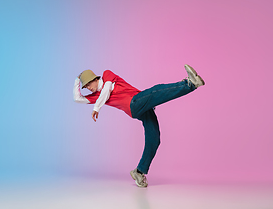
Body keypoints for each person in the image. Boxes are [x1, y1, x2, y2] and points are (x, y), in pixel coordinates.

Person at [73, 65, 205, 187]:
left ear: (95, 79)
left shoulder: (107, 75)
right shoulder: (96, 96)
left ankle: (139, 172)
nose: (88, 88)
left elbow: (106, 89)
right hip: (134, 106)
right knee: (155, 91)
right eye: (86, 87)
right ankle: (190, 84)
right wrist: (77, 80)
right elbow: (77, 99)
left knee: (154, 139)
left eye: (89, 83)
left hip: (140, 101)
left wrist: (97, 107)